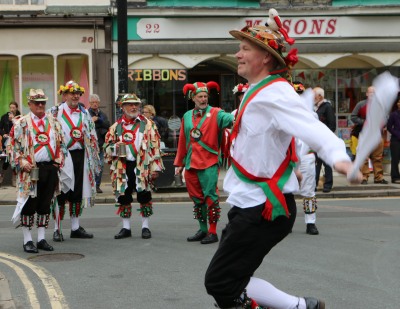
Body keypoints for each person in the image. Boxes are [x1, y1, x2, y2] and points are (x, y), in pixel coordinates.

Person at [204, 9, 361, 309]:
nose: (237, 54)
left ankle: (301, 307)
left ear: (265, 57)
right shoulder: (257, 91)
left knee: (220, 281)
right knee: (233, 278)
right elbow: (260, 132)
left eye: (245, 49)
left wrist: (339, 157)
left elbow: (309, 125)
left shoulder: (275, 92)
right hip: (249, 202)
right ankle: (303, 307)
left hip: (263, 208)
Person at [6, 89, 66, 253]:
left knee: (45, 204)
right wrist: (21, 161)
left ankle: (41, 239)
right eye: (36, 103)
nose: (40, 105)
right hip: (29, 169)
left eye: (43, 102)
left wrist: (58, 162)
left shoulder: (54, 122)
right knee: (29, 205)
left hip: (50, 168)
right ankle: (27, 240)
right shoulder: (21, 123)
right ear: (29, 104)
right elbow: (11, 147)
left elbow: (62, 145)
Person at [174, 81, 234, 245]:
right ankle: (203, 229)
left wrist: (239, 115)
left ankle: (213, 232)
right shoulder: (187, 116)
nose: (203, 99)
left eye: (205, 96)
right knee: (196, 198)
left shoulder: (216, 113)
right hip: (190, 163)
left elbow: (230, 119)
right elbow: (183, 141)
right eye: (200, 96)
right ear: (193, 98)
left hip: (209, 162)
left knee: (211, 197)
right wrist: (179, 163)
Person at [104, 93, 164, 240]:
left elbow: (155, 147)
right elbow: (106, 146)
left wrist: (155, 167)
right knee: (123, 196)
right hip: (122, 166)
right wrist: (114, 148)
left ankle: (145, 227)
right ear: (123, 107)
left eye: (136, 104)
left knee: (144, 195)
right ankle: (126, 228)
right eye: (130, 104)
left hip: (142, 165)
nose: (133, 107)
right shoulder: (116, 127)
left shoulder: (148, 124)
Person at [53, 80, 100, 242]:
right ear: (64, 95)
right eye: (72, 93)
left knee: (77, 192)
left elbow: (91, 134)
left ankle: (75, 227)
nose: (75, 96)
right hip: (63, 157)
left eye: (78, 93)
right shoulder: (55, 112)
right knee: (60, 191)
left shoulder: (84, 113)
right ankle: (57, 229)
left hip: (81, 155)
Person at [293, 81, 319, 235]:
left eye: (300, 95)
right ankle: (286, 221)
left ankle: (311, 222)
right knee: (286, 191)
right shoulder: (283, 113)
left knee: (309, 191)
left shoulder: (312, 115)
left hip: (306, 157)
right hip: (289, 159)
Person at [351, 86, 388, 184]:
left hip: (377, 135)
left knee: (378, 157)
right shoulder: (361, 104)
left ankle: (378, 177)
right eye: (371, 93)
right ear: (367, 94)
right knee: (364, 157)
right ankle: (364, 177)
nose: (373, 95)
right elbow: (353, 117)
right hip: (364, 135)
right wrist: (365, 122)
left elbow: (386, 118)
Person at [313, 86, 336, 193]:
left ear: (319, 96)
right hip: (316, 140)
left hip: (325, 140)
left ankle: (328, 185)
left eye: (314, 95)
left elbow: (332, 125)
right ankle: (314, 184)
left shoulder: (327, 107)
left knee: (327, 163)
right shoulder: (315, 107)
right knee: (316, 164)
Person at [88, 94, 110, 193]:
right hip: (90, 145)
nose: (94, 104)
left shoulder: (103, 114)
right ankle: (90, 186)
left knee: (100, 166)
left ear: (99, 103)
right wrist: (92, 122)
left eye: (96, 102)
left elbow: (108, 125)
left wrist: (98, 120)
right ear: (89, 103)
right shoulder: (86, 113)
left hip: (101, 144)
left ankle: (97, 185)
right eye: (92, 102)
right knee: (91, 166)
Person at [0, 101, 21, 183]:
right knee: (7, 158)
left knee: (15, 159)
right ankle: (2, 174)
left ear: (16, 108)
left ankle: (14, 178)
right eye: (10, 107)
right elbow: (0, 128)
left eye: (13, 107)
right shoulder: (5, 117)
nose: (11, 109)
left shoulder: (20, 117)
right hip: (7, 141)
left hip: (16, 140)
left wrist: (13, 120)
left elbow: (20, 127)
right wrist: (3, 133)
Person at [386, 93, 400, 184]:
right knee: (395, 159)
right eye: (399, 102)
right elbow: (389, 127)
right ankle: (395, 177)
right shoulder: (393, 115)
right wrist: (397, 134)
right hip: (396, 140)